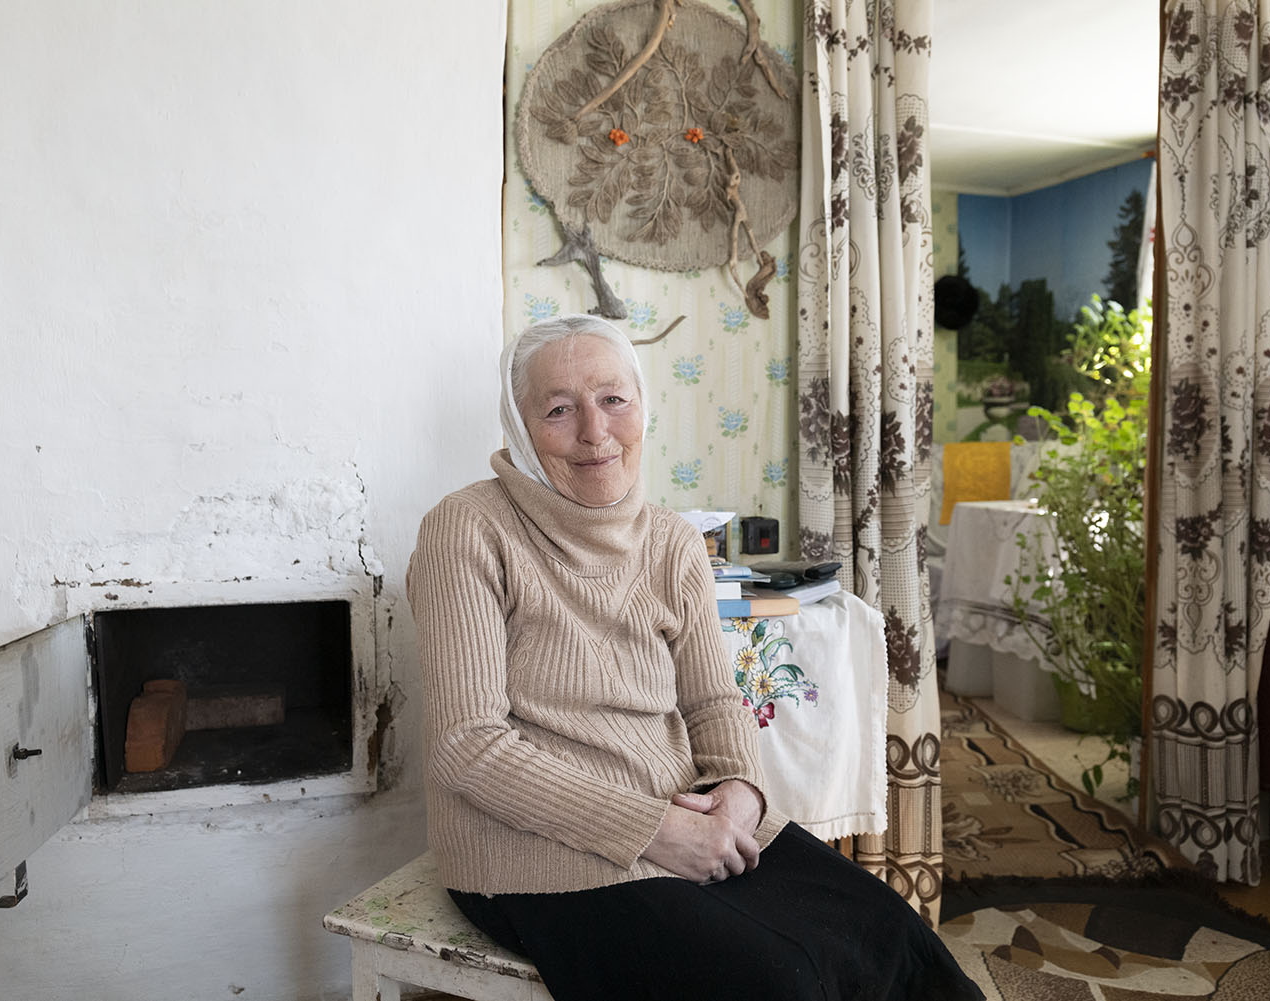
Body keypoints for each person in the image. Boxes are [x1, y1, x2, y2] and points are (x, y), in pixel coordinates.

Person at [406, 314, 984, 1001]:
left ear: (642, 407)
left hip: (688, 815)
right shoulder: (467, 529)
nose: (595, 431)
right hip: (535, 850)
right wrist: (654, 830)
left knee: (897, 941)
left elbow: (713, 702)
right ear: (520, 427)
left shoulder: (673, 540)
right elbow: (469, 745)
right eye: (559, 410)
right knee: (781, 982)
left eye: (613, 399)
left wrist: (738, 796)